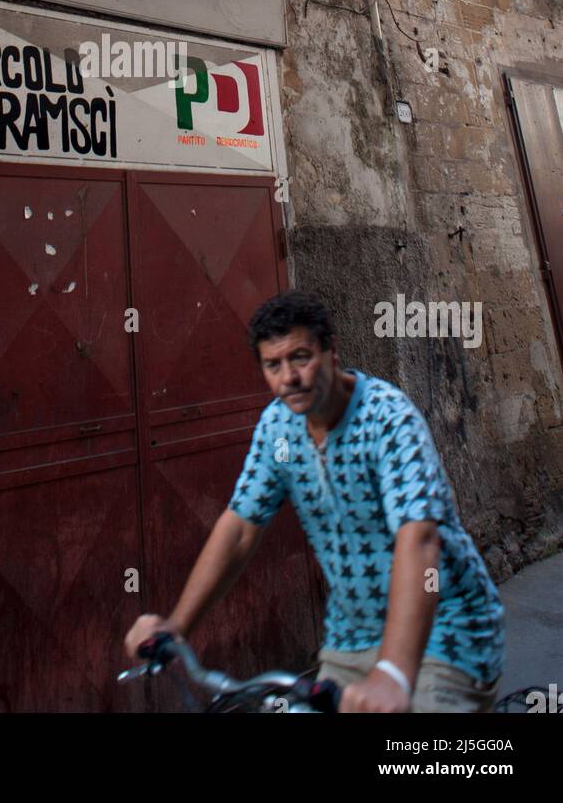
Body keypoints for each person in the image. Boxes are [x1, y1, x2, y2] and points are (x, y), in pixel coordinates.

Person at [124, 290, 505, 713]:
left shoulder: (388, 419)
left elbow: (418, 539)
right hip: (352, 637)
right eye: (273, 365)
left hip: (444, 631)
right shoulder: (278, 429)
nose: (289, 377)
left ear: (331, 351)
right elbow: (240, 528)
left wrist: (394, 673)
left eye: (300, 357)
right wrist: (177, 627)